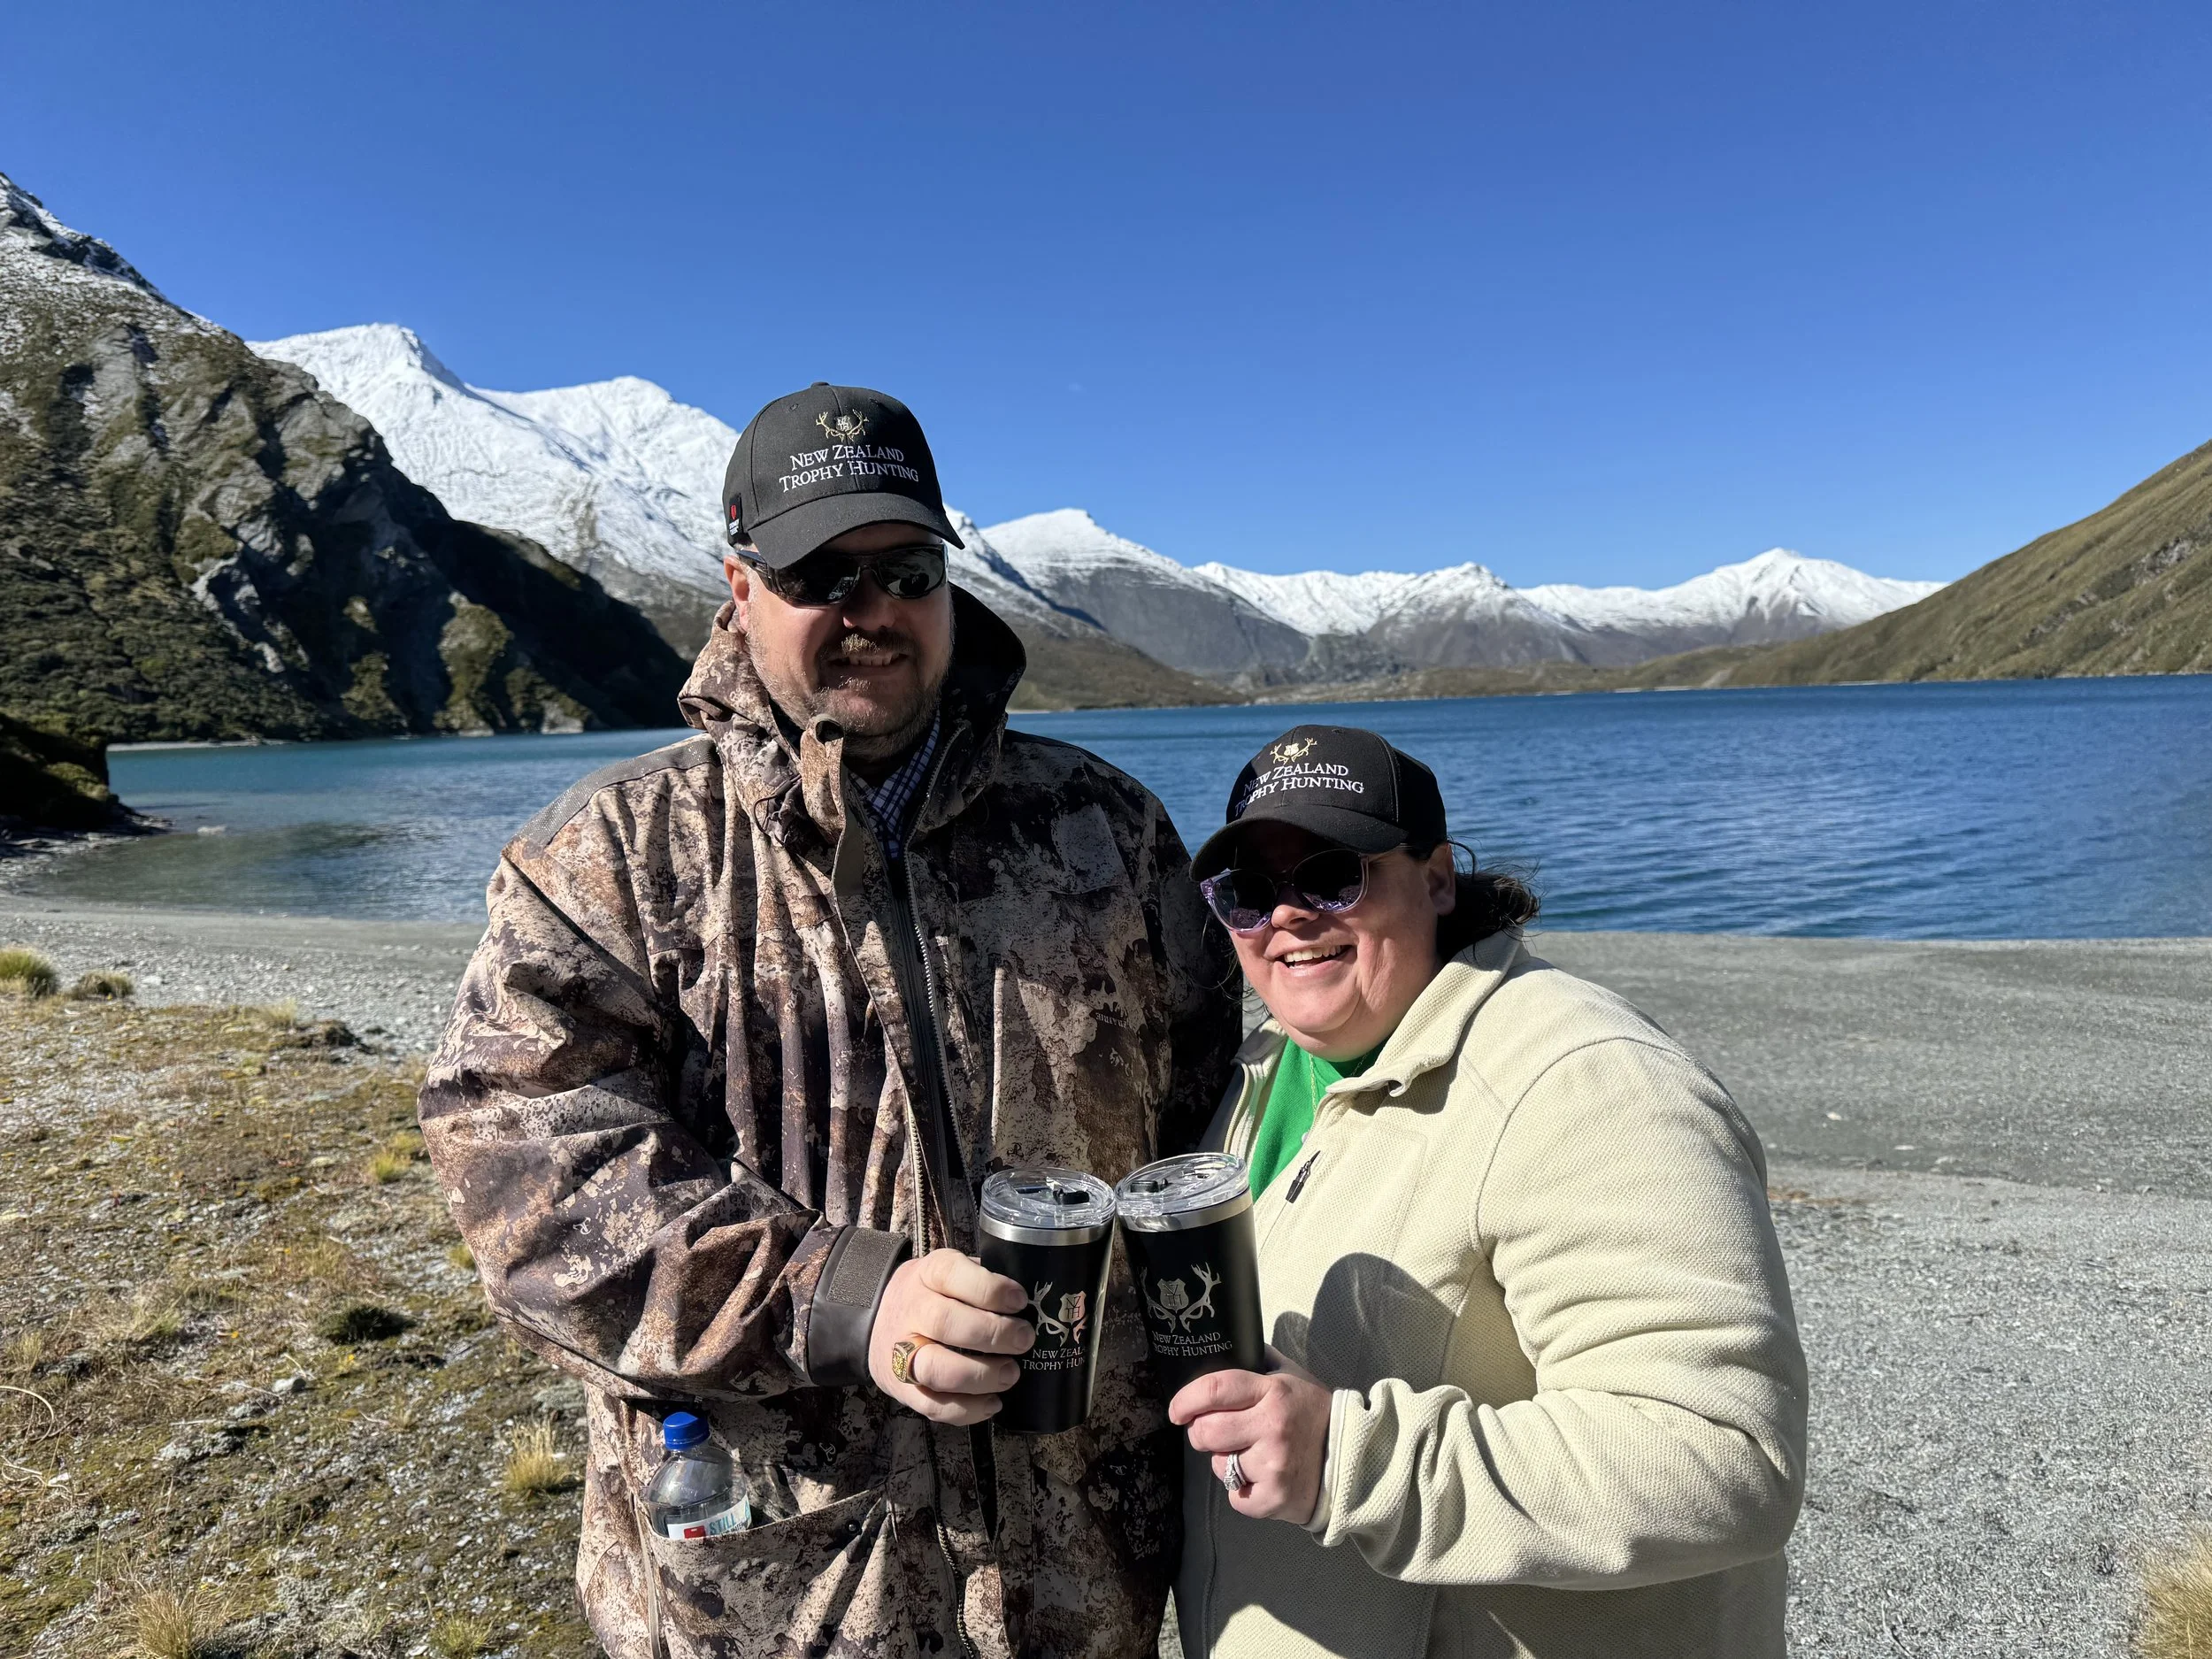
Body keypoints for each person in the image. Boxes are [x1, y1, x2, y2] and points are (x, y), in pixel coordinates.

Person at [419, 384, 1240, 1659]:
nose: (870, 610)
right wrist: (845, 1297)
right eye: (820, 574)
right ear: (741, 589)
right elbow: (523, 1172)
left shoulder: (1108, 832)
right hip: (782, 1584)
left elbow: (1210, 1128)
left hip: (1087, 1565)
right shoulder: (612, 859)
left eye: (905, 569)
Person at [1166, 725, 1808, 1659]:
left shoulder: (1587, 1084)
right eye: (1248, 892)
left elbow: (1722, 1459)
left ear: (1433, 878)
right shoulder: (1269, 1064)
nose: (1289, 917)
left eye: (1330, 876)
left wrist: (1348, 1460)